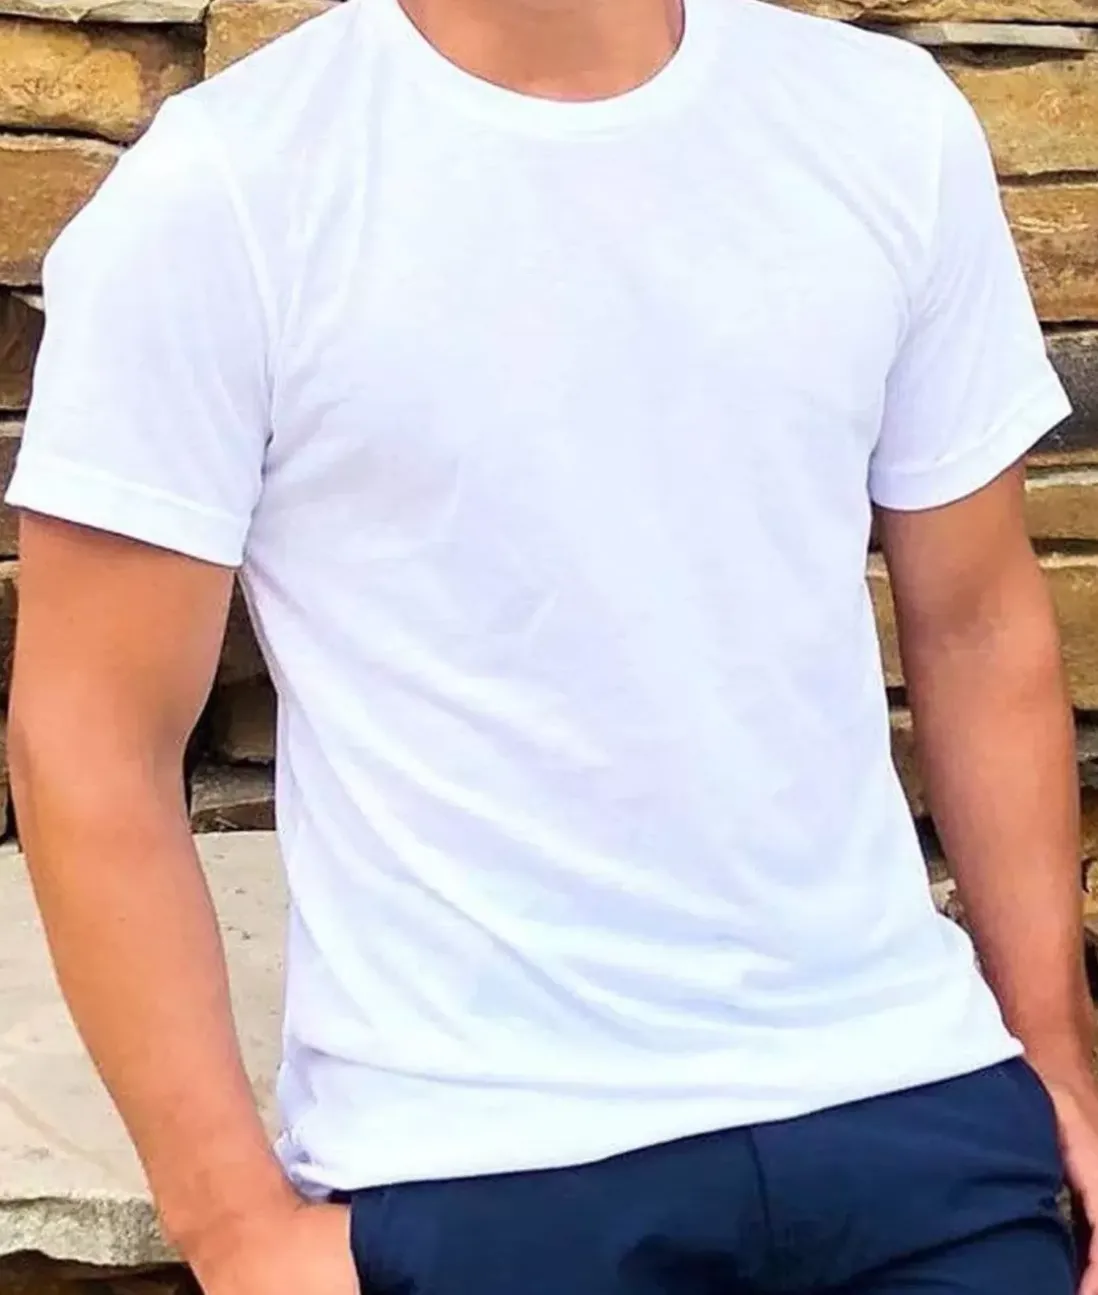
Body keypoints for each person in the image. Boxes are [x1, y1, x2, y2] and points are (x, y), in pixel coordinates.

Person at [8, 0, 1098, 1289]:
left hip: (911, 1112)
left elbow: (977, 625)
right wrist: (234, 1228)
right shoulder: (228, 191)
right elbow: (88, 733)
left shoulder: (886, 124)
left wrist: (1056, 1055)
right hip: (486, 1165)